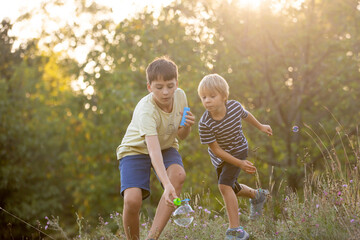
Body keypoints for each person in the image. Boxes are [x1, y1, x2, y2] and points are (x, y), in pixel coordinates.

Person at [116, 56, 195, 240]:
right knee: (132, 200)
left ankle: (152, 238)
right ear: (149, 87)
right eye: (159, 87)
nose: (166, 92)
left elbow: (181, 136)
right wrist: (166, 185)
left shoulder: (181, 96)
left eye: (170, 85)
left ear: (176, 83)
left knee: (178, 175)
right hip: (135, 149)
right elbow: (153, 151)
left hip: (166, 146)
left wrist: (188, 126)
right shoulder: (146, 111)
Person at [197, 74, 272, 240]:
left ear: (224, 96)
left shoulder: (235, 107)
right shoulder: (204, 123)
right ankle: (257, 195)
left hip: (239, 148)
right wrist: (240, 164)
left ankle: (235, 231)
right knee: (232, 188)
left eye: (212, 96)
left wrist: (261, 126)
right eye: (203, 97)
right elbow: (216, 150)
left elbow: (246, 115)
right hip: (221, 157)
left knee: (224, 186)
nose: (207, 100)